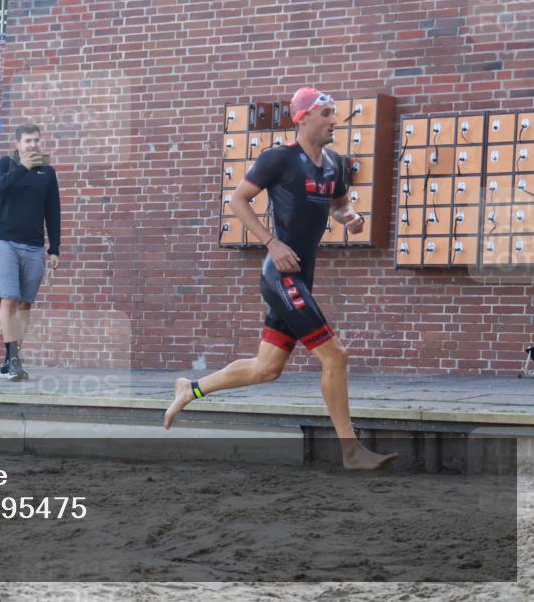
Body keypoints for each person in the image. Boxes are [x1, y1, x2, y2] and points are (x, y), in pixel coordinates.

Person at [164, 87, 398, 470]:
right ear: (302, 116)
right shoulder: (279, 158)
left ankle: (190, 389)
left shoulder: (335, 164)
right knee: (336, 355)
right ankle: (351, 451)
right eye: (326, 113)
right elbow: (238, 200)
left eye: (335, 113)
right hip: (281, 275)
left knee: (266, 368)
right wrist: (271, 243)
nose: (334, 120)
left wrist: (351, 219)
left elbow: (339, 206)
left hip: (303, 275)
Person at [0, 124, 61, 380]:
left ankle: (13, 354)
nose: (33, 145)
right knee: (8, 298)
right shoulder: (5, 165)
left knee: (25, 303)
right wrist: (22, 169)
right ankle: (13, 359)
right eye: (28, 141)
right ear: (18, 143)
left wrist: (55, 248)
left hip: (33, 246)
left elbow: (53, 211)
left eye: (36, 140)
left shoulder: (47, 172)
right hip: (4, 242)